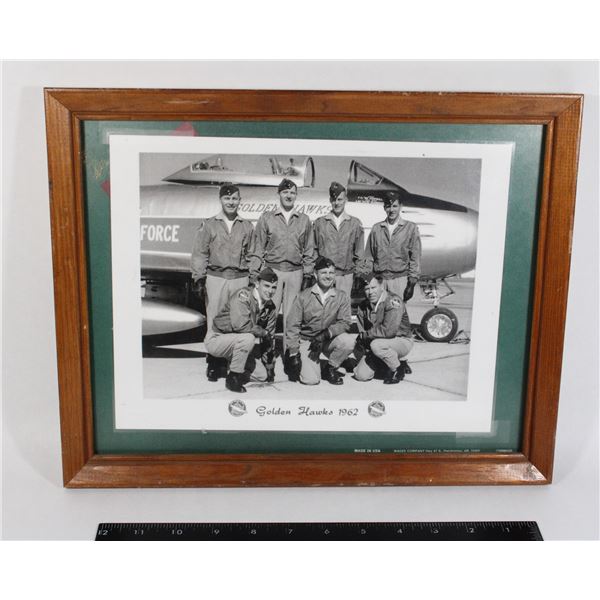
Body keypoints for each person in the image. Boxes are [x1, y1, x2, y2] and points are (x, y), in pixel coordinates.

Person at [190, 184, 254, 381]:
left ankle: (235, 363)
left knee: (238, 320)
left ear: (240, 201)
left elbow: (253, 254)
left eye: (234, 198)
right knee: (215, 322)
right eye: (227, 198)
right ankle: (214, 362)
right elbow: (200, 253)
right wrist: (198, 277)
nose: (231, 202)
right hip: (216, 278)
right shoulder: (209, 225)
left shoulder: (247, 226)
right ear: (221, 200)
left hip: (240, 279)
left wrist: (253, 278)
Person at [248, 178, 315, 351]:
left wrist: (308, 274)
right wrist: (254, 274)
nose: (289, 196)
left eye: (292, 192)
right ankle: (267, 352)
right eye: (285, 192)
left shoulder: (304, 220)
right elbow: (258, 248)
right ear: (279, 194)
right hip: (273, 272)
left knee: (292, 317)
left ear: (296, 195)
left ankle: (290, 354)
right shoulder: (267, 218)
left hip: (295, 272)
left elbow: (309, 249)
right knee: (269, 314)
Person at [205, 268, 279, 393]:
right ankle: (232, 377)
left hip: (238, 342)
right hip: (218, 338)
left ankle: (225, 365)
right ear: (257, 284)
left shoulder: (270, 307)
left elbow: (269, 337)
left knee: (262, 376)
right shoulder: (243, 296)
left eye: (273, 287)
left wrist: (269, 364)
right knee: (249, 338)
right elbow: (241, 326)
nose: (270, 291)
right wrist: (263, 332)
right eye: (266, 286)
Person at [285, 257, 354, 385]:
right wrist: (293, 351)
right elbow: (292, 325)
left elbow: (345, 323)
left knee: (348, 341)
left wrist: (327, 333)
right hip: (308, 341)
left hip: (327, 340)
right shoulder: (303, 296)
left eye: (331, 273)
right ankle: (299, 358)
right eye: (324, 273)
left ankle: (330, 368)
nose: (328, 276)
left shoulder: (341, 296)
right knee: (311, 380)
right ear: (316, 275)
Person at [362, 189, 421, 303]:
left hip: (399, 280)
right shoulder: (376, 229)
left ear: (400, 206)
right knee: (378, 311)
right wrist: (368, 279)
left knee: (396, 311)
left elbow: (415, 258)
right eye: (388, 206)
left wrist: (411, 283)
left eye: (395, 206)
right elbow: (369, 256)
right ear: (384, 207)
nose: (392, 210)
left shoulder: (410, 228)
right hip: (379, 281)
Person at [354, 274, 413, 384]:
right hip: (377, 342)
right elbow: (362, 331)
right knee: (361, 375)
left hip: (400, 340)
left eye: (373, 287)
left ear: (382, 287)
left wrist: (366, 336)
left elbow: (389, 331)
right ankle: (388, 362)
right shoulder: (363, 306)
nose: (370, 292)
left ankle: (398, 368)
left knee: (377, 345)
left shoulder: (393, 301)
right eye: (367, 289)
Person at [312, 181, 364, 298]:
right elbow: (313, 250)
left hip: (345, 276)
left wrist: (359, 275)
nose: (337, 203)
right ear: (330, 200)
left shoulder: (354, 224)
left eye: (340, 199)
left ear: (346, 200)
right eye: (334, 200)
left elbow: (359, 253)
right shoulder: (320, 223)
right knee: (323, 306)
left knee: (343, 307)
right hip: (325, 276)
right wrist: (313, 273)